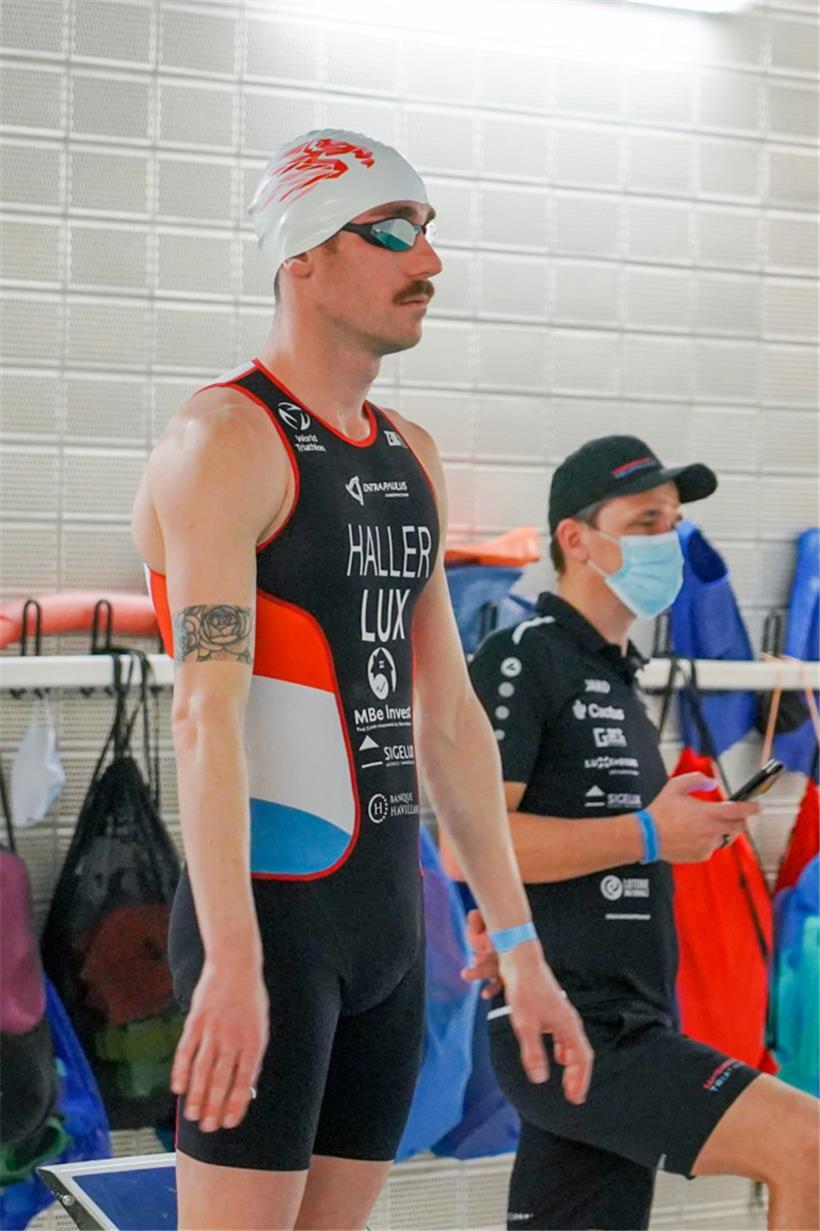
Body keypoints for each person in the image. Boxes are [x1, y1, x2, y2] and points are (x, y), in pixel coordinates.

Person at [131, 129, 592, 1231]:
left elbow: (450, 720)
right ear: (301, 254)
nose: (427, 260)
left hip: (389, 928)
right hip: (272, 929)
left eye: (428, 231)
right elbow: (204, 712)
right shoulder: (224, 439)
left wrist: (519, 943)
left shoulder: (407, 454)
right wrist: (231, 958)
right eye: (390, 232)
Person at [465, 435, 819, 1231]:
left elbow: (599, 842)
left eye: (674, 523)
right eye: (646, 522)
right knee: (809, 1144)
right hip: (577, 1025)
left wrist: (676, 828)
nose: (669, 542)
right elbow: (471, 843)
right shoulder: (522, 656)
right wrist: (652, 834)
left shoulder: (619, 678)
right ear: (576, 538)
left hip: (632, 1016)